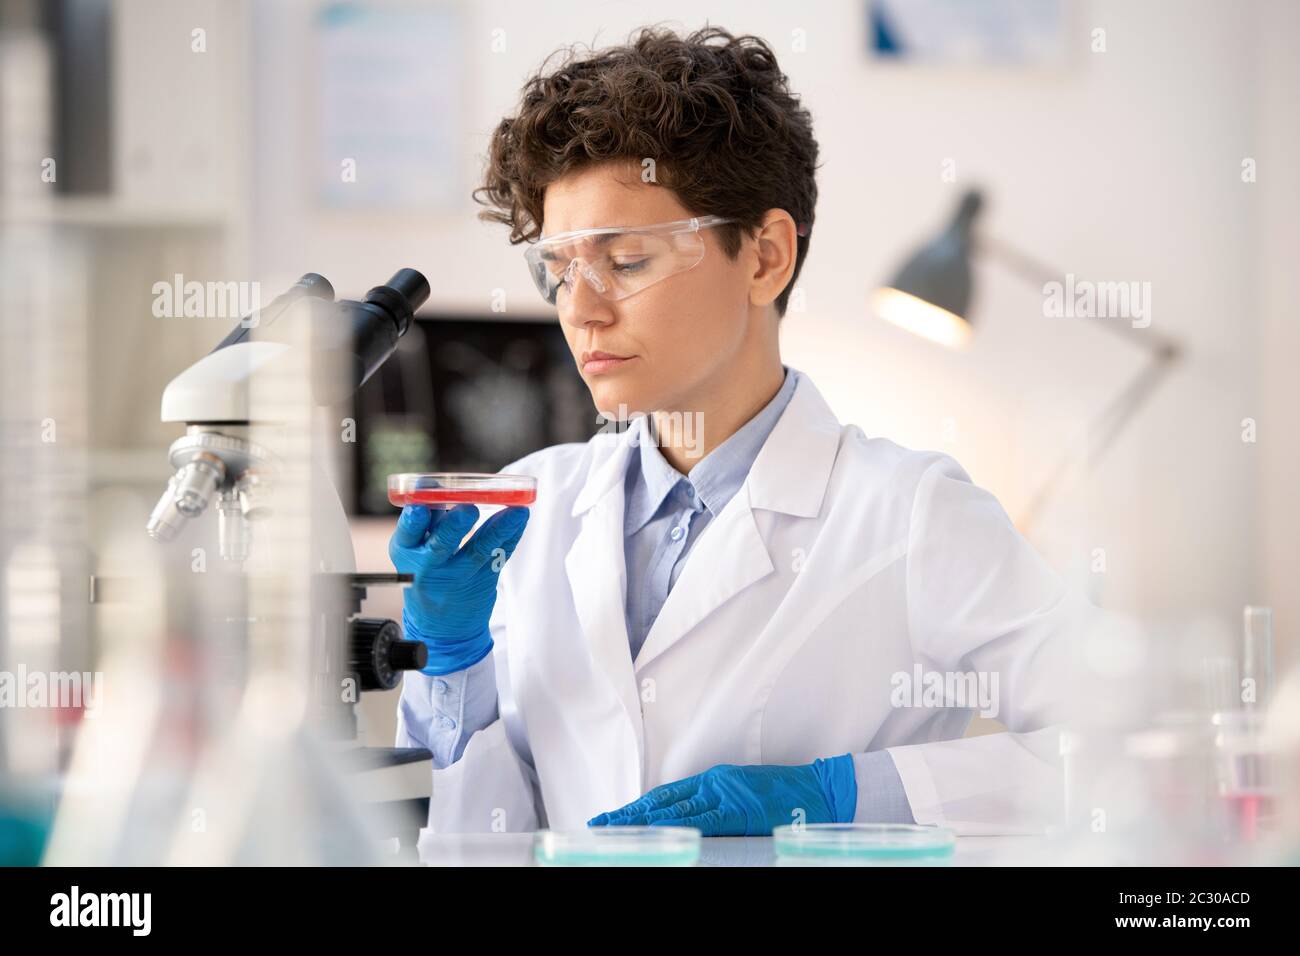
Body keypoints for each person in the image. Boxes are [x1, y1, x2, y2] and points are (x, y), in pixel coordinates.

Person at [392, 26, 1092, 836]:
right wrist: (452, 666)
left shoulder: (909, 514)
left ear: (764, 257)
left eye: (625, 263)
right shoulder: (530, 508)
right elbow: (483, 839)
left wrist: (844, 797)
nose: (579, 309)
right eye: (558, 269)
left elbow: (1123, 745)